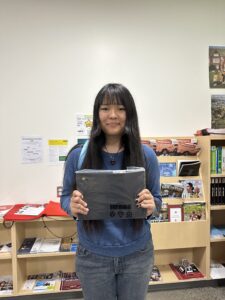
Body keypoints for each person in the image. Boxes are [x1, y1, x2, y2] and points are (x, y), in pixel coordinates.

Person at [60, 83, 162, 300]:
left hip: (138, 253)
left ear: (130, 114)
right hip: (92, 256)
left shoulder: (147, 156)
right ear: (97, 113)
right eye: (105, 108)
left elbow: (158, 200)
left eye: (121, 109)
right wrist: (72, 205)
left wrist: (152, 205)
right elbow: (65, 197)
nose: (113, 115)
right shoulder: (77, 155)